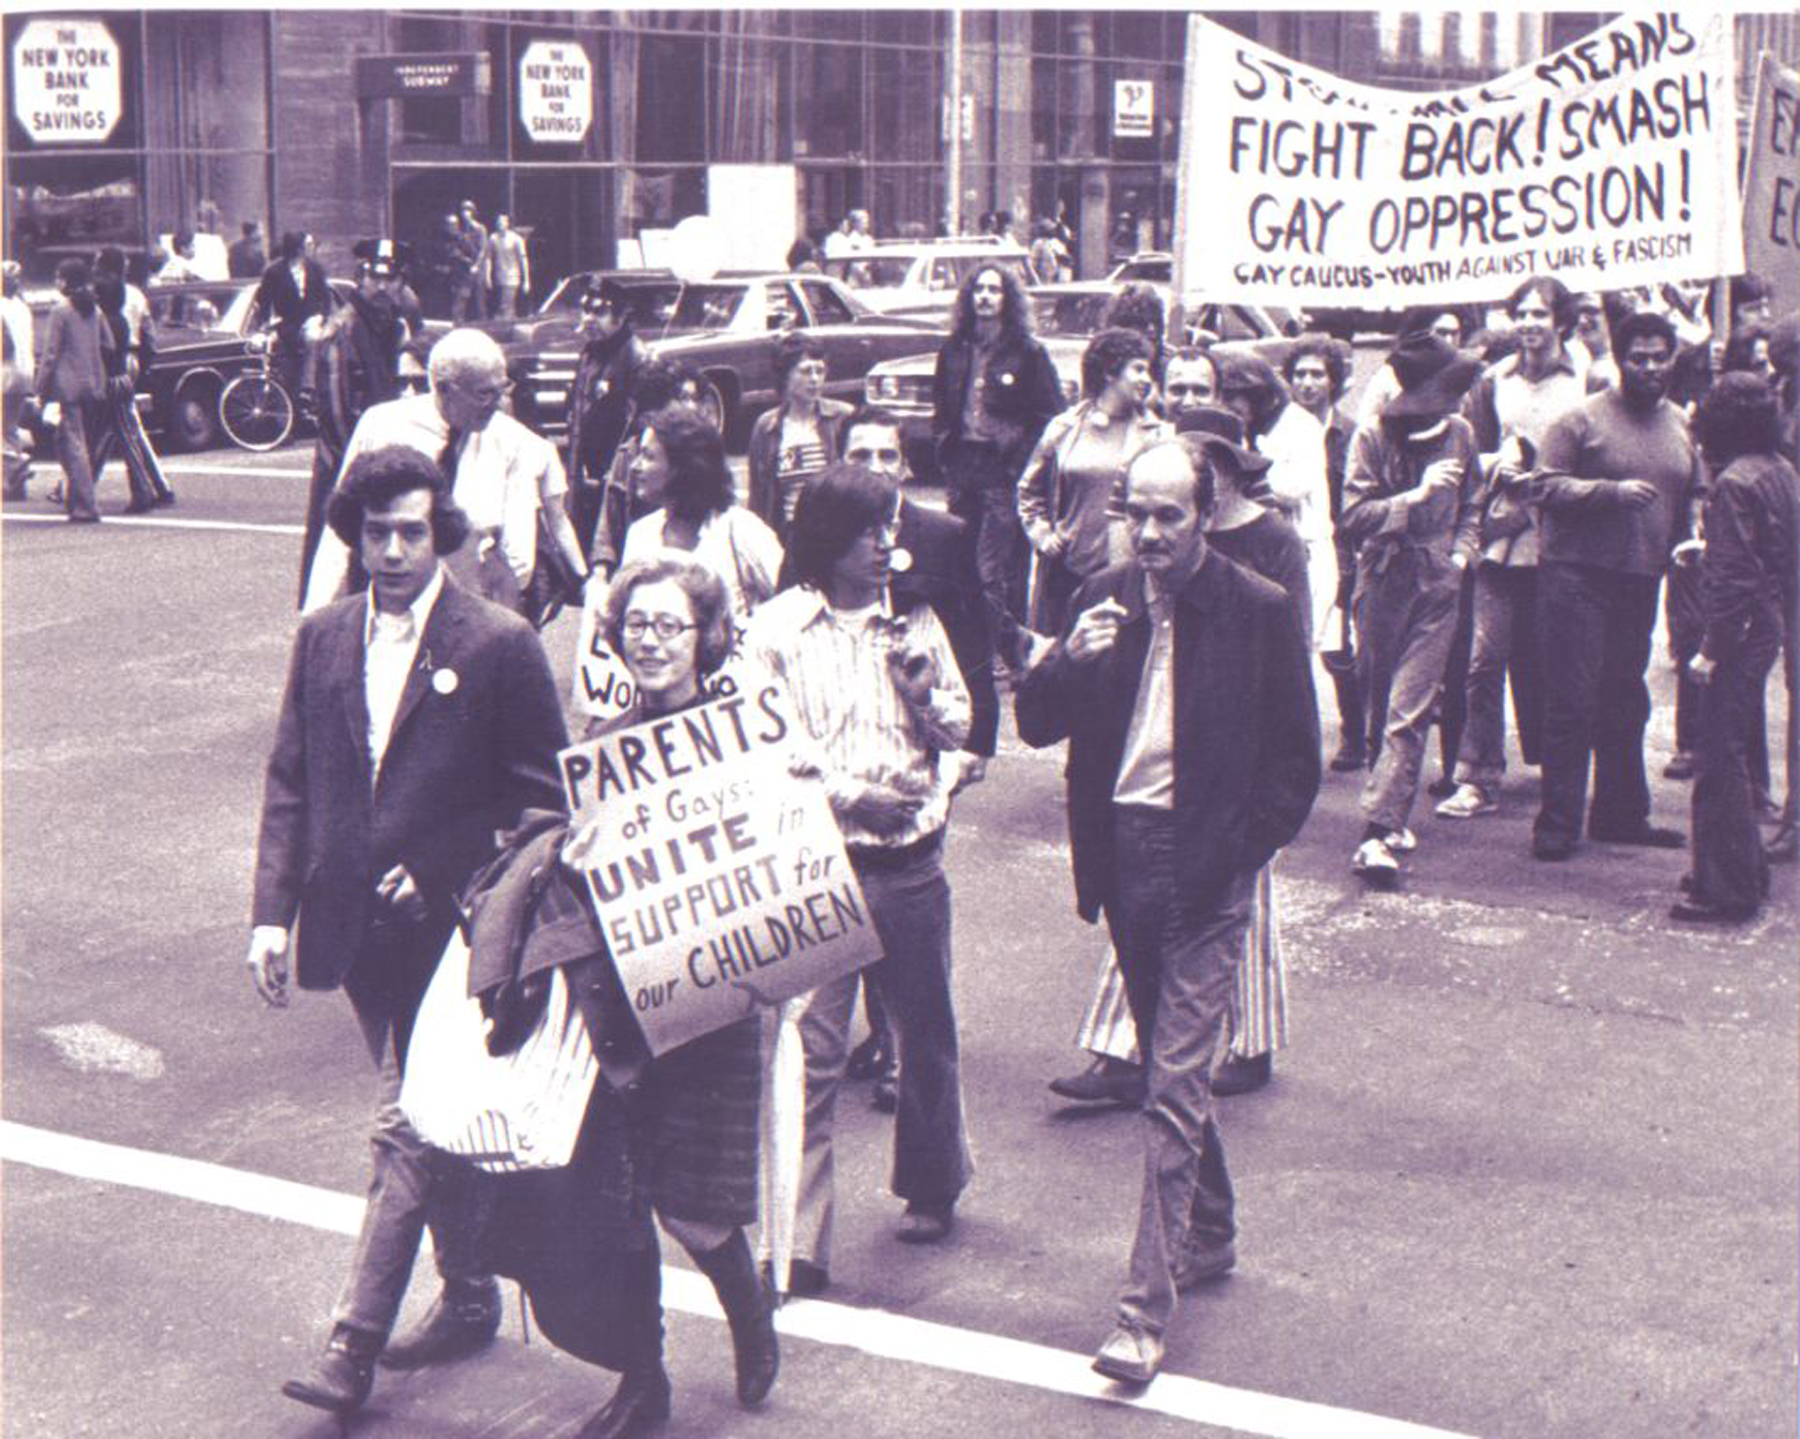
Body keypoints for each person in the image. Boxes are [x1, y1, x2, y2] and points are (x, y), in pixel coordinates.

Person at [247, 446, 569, 1416]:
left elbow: (543, 799)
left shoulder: (499, 642)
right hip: (354, 930)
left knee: (403, 1123)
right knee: (434, 1126)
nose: (392, 551)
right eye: (375, 532)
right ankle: (472, 1289)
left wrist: (436, 865)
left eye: (411, 532)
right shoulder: (325, 636)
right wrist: (270, 915)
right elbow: (291, 780)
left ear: (442, 535)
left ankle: (353, 1342)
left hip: (458, 933)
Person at [1015, 438, 1320, 1385]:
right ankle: (1214, 1226)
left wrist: (1237, 856)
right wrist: (1066, 661)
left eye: (1168, 516)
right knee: (1165, 1067)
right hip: (1126, 859)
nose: (1147, 533)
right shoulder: (1098, 594)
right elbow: (1035, 723)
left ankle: (1143, 1314)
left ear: (1206, 510)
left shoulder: (1255, 607)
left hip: (1208, 871)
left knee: (1173, 1088)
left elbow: (1297, 762)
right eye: (1133, 513)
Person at [462, 555, 775, 1436]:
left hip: (711, 1004)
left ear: (705, 636)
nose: (650, 641)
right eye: (636, 625)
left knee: (694, 1210)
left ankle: (746, 1301)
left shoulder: (741, 734)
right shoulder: (603, 746)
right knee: (620, 1201)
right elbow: (572, 863)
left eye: (669, 625)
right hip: (620, 1008)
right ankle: (647, 1377)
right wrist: (569, 854)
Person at [745, 462, 975, 1289]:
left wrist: (925, 700)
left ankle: (933, 1179)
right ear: (829, 539)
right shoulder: (775, 629)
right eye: (871, 530)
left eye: (893, 529)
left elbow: (961, 724)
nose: (888, 545)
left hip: (909, 859)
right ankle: (800, 1234)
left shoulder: (912, 622)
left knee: (925, 1030)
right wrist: (853, 796)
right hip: (821, 860)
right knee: (810, 1048)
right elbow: (764, 745)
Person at [837, 407, 1001, 1105]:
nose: (875, 468)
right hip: (846, 743)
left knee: (906, 888)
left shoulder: (943, 535)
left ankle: (904, 1040)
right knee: (855, 891)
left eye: (885, 456)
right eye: (859, 455)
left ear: (905, 465)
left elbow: (973, 631)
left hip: (923, 740)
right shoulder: (824, 531)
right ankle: (885, 1029)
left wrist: (979, 742)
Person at [1531, 310, 1704, 861]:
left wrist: (1692, 531)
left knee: (1626, 699)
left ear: (1672, 359)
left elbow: (1693, 488)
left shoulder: (1681, 423)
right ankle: (1556, 825)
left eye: (1659, 357)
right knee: (1572, 701)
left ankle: (1620, 815)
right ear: (1621, 359)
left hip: (1640, 579)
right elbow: (1544, 486)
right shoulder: (1580, 420)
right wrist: (1609, 493)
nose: (1650, 367)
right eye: (1639, 358)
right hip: (1576, 576)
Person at [1436, 278, 1589, 821]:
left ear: (1561, 321)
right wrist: (1494, 462)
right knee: (1483, 660)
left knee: (1560, 661)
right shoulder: (1493, 382)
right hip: (1502, 536)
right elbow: (1466, 453)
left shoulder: (1587, 378)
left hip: (1565, 539)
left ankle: (1563, 780)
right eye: (1521, 313)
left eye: (1540, 314)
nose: (1529, 324)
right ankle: (1478, 775)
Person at [1341, 333, 1485, 886]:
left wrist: (1461, 555)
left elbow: (1474, 501)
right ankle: (1389, 810)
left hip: (1437, 583)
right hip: (1382, 580)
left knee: (1410, 708)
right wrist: (1416, 499)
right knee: (1379, 703)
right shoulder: (1372, 438)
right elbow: (1352, 517)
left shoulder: (1463, 435)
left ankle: (1376, 833)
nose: (1457, 403)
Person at [304, 330, 551, 615]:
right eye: (485, 393)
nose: (498, 403)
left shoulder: (512, 440)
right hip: (391, 601)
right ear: (444, 388)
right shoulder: (382, 426)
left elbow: (519, 552)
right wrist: (317, 614)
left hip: (472, 608)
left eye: (502, 388)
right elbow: (339, 534)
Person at [1673, 375, 1799, 922]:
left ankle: (1724, 888)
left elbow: (1734, 582)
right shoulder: (1780, 469)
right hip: (1769, 622)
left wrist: (1708, 651)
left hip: (1740, 629)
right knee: (1736, 754)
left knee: (1718, 757)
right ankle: (1740, 869)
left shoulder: (1731, 484)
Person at [932, 264, 1063, 676]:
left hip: (1002, 469)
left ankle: (1006, 649)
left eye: (994, 289)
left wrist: (1018, 461)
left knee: (997, 568)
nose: (985, 297)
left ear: (1008, 298)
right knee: (958, 557)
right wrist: (944, 449)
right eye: (979, 289)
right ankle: (980, 642)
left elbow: (1049, 416)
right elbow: (942, 406)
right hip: (962, 466)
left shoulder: (1028, 352)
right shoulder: (954, 349)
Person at [1017, 326, 1169, 637]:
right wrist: (1042, 533)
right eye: (1138, 369)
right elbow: (1028, 490)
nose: (1147, 379)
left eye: (1149, 371)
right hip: (1066, 569)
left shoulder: (1156, 433)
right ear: (1110, 372)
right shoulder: (1064, 427)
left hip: (1124, 569)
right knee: (1058, 655)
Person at [300, 240, 413, 604]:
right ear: (359, 278)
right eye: (373, 278)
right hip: (350, 462)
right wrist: (364, 469)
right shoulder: (343, 330)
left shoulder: (392, 326)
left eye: (390, 278)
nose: (381, 287)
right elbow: (334, 413)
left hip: (381, 458)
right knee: (341, 560)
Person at [1217, 351, 1338, 659]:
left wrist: (1248, 465)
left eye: (1235, 399)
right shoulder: (1243, 428)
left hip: (1305, 550)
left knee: (1292, 648)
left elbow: (1293, 488)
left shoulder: (1300, 425)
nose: (1231, 408)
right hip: (1257, 551)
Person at [617, 404, 781, 624]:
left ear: (682, 466)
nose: (635, 466)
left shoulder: (742, 530)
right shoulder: (640, 535)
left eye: (648, 456)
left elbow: (791, 607)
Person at [1284, 334, 1366, 771]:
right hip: (1296, 545)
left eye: (1317, 374)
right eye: (1300, 374)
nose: (1309, 383)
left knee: (1339, 646)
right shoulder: (1282, 429)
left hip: (1342, 546)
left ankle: (1355, 732)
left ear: (1333, 381)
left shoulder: (1348, 433)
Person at [586, 359, 704, 583]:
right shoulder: (627, 457)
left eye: (694, 399)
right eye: (683, 398)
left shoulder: (703, 455)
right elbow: (608, 529)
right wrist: (599, 576)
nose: (692, 407)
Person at [747, 331, 853, 546]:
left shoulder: (842, 416)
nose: (814, 379)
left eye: (820, 371)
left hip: (835, 533)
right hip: (788, 535)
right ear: (786, 375)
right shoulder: (766, 427)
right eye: (805, 371)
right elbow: (759, 494)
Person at [567, 279, 647, 557]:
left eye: (599, 312)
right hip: (584, 470)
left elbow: (639, 423)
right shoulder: (589, 353)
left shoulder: (636, 357)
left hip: (616, 472)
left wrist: (616, 470)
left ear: (621, 316)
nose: (589, 319)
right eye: (586, 310)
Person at [91, 250, 175, 513]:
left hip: (111, 362)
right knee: (122, 426)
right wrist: (145, 367)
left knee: (114, 427)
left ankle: (145, 489)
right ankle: (158, 485)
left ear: (106, 269)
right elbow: (148, 336)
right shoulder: (136, 295)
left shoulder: (99, 298)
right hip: (132, 359)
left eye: (97, 264)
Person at [34, 257, 111, 524]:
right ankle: (74, 498)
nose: (56, 281)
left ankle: (86, 506)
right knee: (67, 442)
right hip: (92, 383)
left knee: (74, 445)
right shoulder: (95, 309)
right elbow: (108, 344)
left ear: (67, 281)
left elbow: (51, 353)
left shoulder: (61, 310)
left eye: (58, 276)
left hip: (67, 386)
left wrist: (40, 388)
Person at [251, 230, 332, 409]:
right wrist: (264, 325)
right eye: (309, 245)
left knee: (313, 338)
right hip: (288, 323)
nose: (312, 248)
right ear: (298, 249)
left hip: (312, 320)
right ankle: (287, 410)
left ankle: (307, 387)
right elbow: (264, 300)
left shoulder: (315, 268)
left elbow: (326, 298)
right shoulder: (274, 271)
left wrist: (321, 316)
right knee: (285, 365)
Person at [2, 260, 33, 501]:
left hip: (5, 372)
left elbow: (5, 345)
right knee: (9, 428)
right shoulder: (23, 307)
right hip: (25, 373)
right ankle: (13, 485)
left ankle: (18, 463)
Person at [484, 214, 531, 319]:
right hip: (498, 276)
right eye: (498, 222)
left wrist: (527, 280)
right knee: (500, 306)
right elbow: (489, 258)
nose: (500, 224)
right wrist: (487, 276)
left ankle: (508, 321)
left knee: (507, 305)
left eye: (503, 222)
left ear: (507, 223)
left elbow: (523, 259)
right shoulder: (493, 238)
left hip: (512, 276)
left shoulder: (516, 239)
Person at [451, 200, 490, 322]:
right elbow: (456, 249)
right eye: (463, 210)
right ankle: (458, 323)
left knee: (480, 300)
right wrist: (465, 260)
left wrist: (476, 265)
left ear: (473, 212)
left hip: (477, 269)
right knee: (461, 298)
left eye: (468, 210)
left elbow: (483, 249)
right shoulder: (461, 230)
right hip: (465, 268)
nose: (465, 213)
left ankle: (483, 324)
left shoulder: (480, 228)